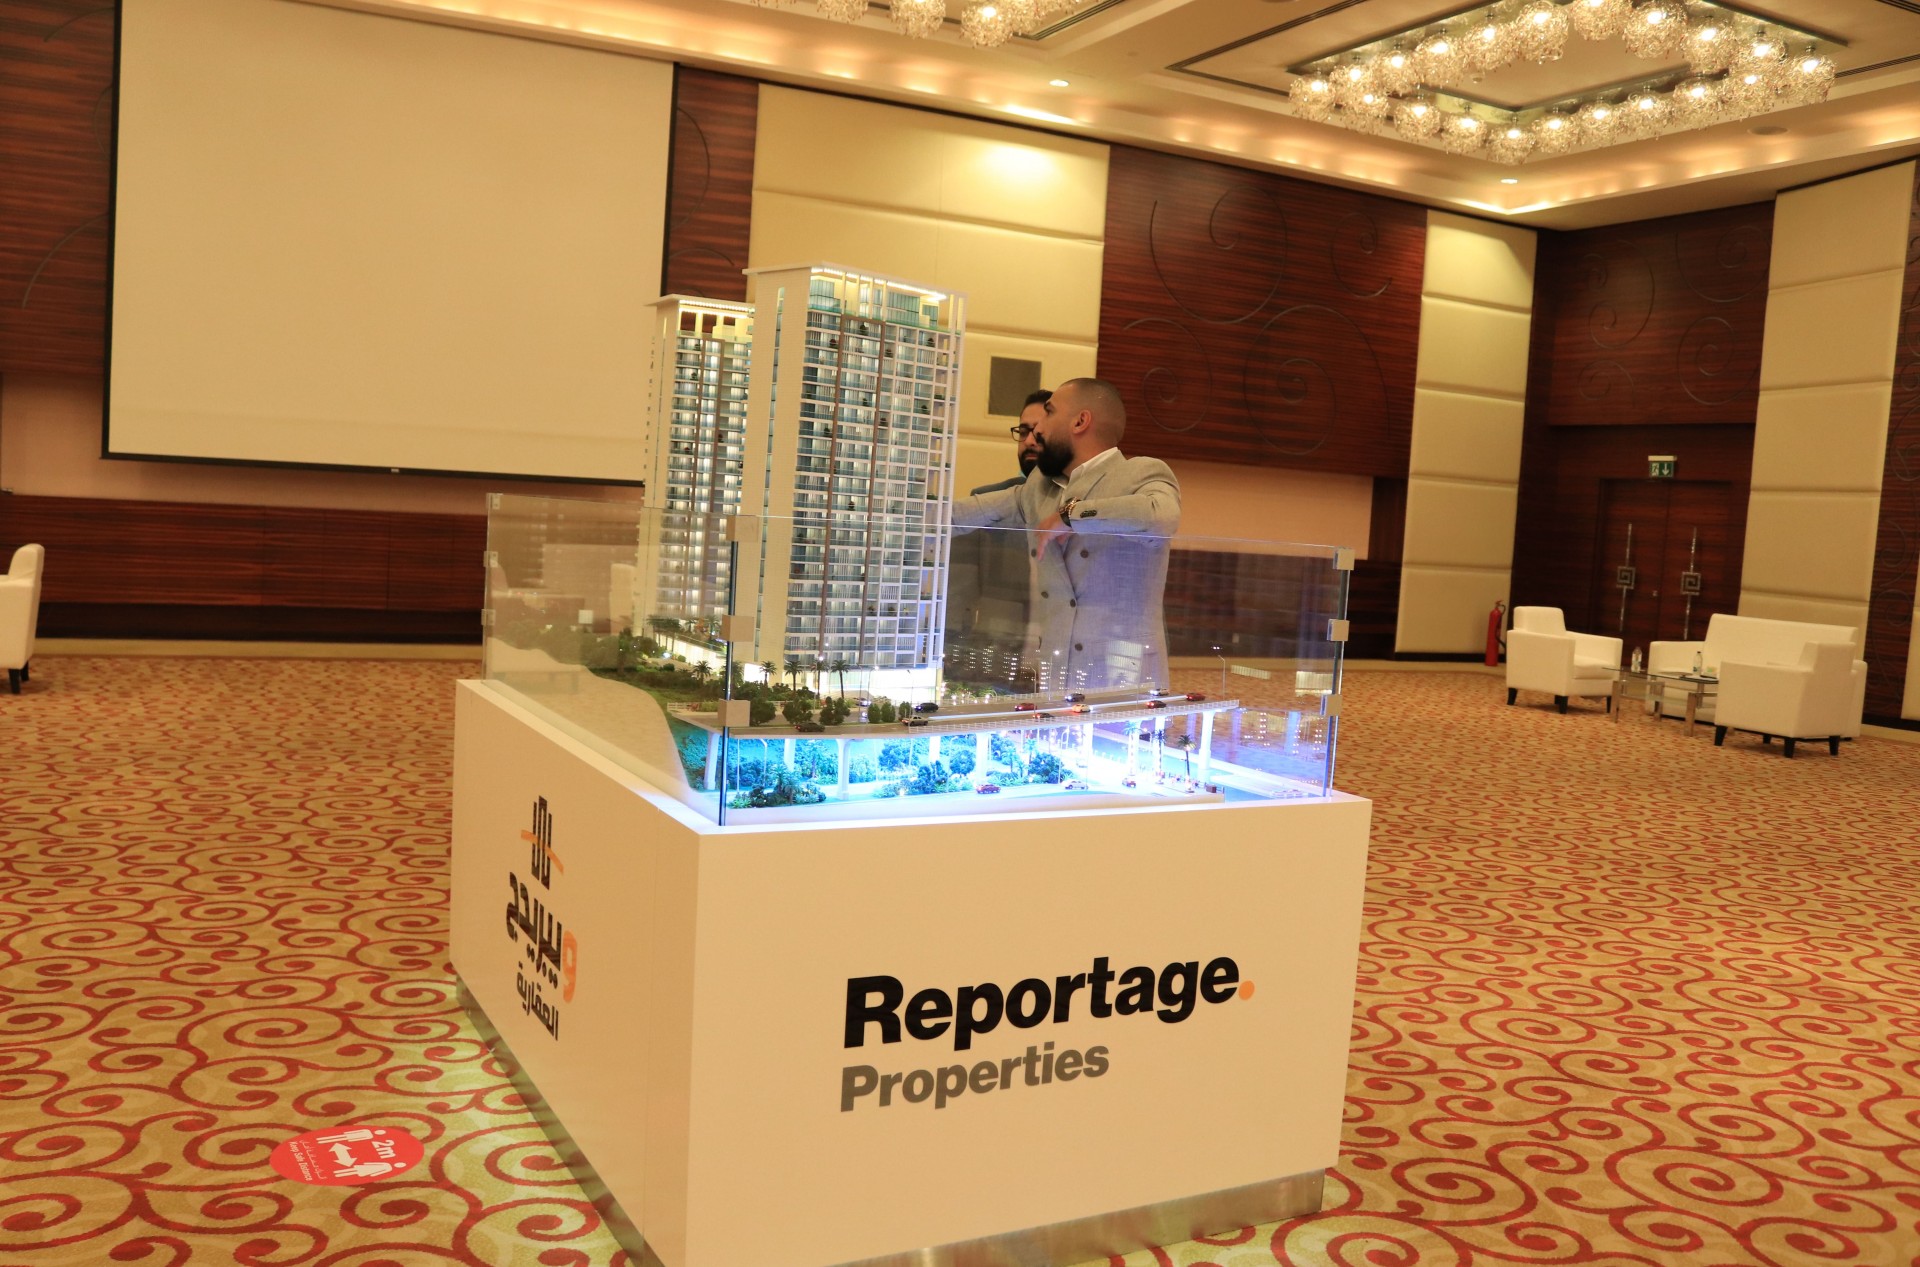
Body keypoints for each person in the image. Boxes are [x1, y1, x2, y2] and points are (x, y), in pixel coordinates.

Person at [951, 377, 1180, 693]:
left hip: (1125, 679)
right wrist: (897, 514)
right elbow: (965, 514)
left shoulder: (1142, 473)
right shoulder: (1038, 489)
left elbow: (1162, 516)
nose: (1037, 430)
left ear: (1080, 421)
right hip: (1057, 678)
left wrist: (1071, 516)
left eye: (1049, 412)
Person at [944, 391, 1047, 689]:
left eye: (1039, 432)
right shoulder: (986, 502)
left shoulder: (1084, 506)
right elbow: (959, 593)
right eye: (1023, 431)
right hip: (997, 662)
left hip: (1062, 662)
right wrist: (955, 658)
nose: (1029, 441)